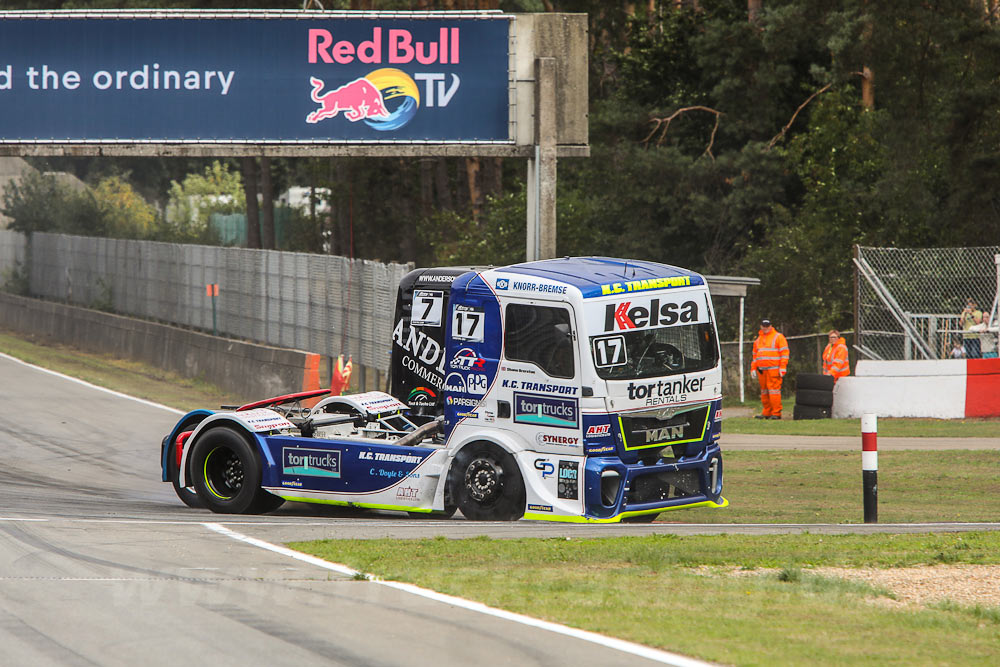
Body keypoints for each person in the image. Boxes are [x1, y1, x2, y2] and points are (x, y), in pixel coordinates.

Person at [750, 318, 789, 419]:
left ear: (771, 326)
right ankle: (767, 412)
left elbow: (784, 353)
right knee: (764, 392)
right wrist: (753, 368)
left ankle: (776, 413)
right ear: (761, 327)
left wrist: (783, 367)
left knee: (774, 392)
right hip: (762, 370)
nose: (765, 328)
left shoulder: (778, 337)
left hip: (774, 369)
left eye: (767, 326)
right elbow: (755, 356)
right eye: (764, 326)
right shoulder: (758, 340)